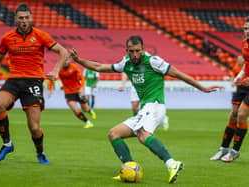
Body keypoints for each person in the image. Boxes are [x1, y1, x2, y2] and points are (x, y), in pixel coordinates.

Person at [70, 35, 222, 183]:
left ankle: (172, 163)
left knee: (142, 134)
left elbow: (178, 74)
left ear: (142, 49)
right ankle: (129, 168)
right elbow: (99, 67)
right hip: (145, 108)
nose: (135, 54)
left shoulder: (154, 61)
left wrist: (202, 87)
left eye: (137, 50)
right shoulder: (126, 63)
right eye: (131, 51)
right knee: (114, 134)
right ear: (127, 50)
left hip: (155, 105)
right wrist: (78, 60)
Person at [0, 3, 68, 164]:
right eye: (21, 18)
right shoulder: (7, 38)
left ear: (31, 18)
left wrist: (56, 71)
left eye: (27, 17)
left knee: (34, 128)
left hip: (33, 81)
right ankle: (7, 144)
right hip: (14, 80)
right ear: (16, 19)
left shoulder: (41, 35)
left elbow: (63, 52)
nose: (24, 21)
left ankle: (40, 152)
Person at [210, 18, 249, 162]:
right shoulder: (245, 42)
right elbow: (246, 63)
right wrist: (239, 76)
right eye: (245, 28)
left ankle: (235, 151)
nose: (247, 31)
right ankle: (223, 148)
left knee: (241, 115)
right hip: (243, 84)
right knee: (233, 115)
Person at [54, 57, 96, 128]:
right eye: (64, 60)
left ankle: (90, 110)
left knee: (85, 109)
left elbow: (82, 78)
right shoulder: (59, 69)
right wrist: (60, 85)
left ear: (69, 60)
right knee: (75, 109)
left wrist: (82, 88)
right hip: (68, 92)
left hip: (78, 90)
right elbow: (56, 77)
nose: (66, 62)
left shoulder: (74, 67)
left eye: (67, 60)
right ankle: (88, 122)